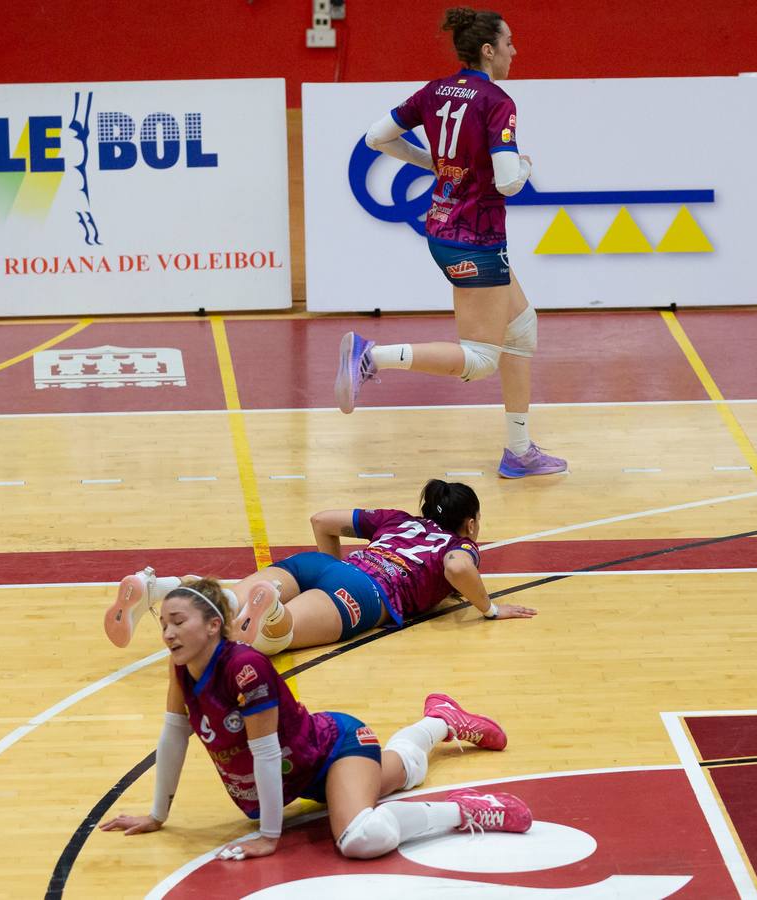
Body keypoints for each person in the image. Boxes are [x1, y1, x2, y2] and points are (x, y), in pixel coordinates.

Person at [98, 579, 532, 860]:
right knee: (398, 770)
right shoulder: (182, 668)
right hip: (299, 774)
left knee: (362, 839)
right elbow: (174, 737)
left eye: (178, 622)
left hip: (334, 749)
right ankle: (442, 719)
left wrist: (270, 836)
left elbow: (265, 752)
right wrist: (157, 815)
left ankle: (467, 811)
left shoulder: (244, 668)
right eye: (164, 625)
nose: (168, 634)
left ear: (214, 626)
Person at [337, 6, 566, 480]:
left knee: (521, 329)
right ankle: (370, 356)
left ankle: (518, 451)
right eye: (508, 42)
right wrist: (524, 167)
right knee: (482, 358)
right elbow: (507, 183)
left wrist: (432, 163)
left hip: (445, 226)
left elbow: (376, 138)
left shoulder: (434, 90)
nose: (514, 50)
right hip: (476, 239)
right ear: (488, 50)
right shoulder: (498, 101)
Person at [103, 479, 535, 655]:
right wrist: (491, 608)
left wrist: (330, 566)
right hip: (368, 594)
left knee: (228, 603)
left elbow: (322, 519)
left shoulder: (399, 520)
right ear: (472, 522)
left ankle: (158, 588)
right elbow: (458, 567)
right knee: (274, 638)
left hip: (320, 566)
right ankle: (273, 610)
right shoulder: (460, 543)